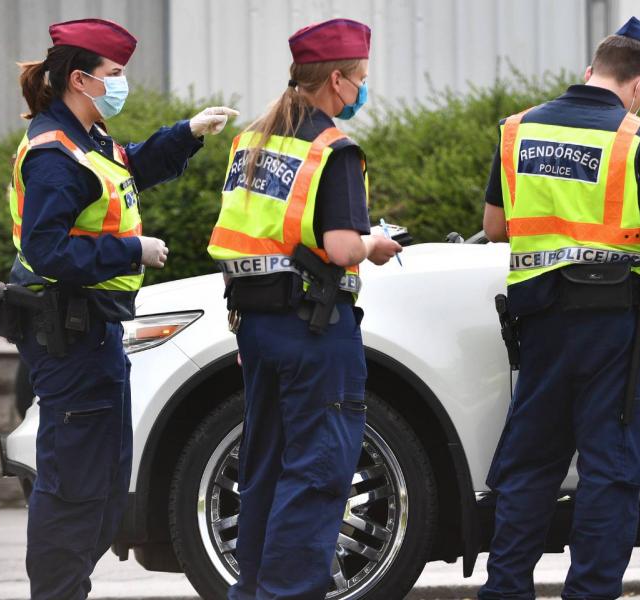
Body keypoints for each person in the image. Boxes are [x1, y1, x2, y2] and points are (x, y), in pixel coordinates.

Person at [8, 18, 236, 600]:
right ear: (81, 79)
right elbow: (47, 247)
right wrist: (132, 249)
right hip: (67, 333)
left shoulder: (90, 139)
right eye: (114, 74)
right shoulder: (54, 154)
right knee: (73, 487)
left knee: (104, 482)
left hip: (93, 332)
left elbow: (129, 165)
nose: (121, 83)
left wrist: (187, 132)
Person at [479, 17, 640, 599]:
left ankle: (505, 590)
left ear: (589, 71)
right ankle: (591, 591)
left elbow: (495, 227)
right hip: (611, 324)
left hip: (539, 321)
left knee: (530, 466)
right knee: (610, 469)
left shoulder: (516, 130)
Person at [205, 18, 401, 599]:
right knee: (317, 473)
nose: (363, 89)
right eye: (360, 78)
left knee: (265, 466)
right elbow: (341, 247)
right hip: (314, 328)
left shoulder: (252, 141)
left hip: (258, 326)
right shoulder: (333, 149)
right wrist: (377, 246)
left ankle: (256, 591)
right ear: (336, 80)